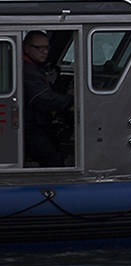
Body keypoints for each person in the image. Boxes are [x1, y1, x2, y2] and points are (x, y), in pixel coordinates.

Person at [21, 31, 73, 167]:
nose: (44, 52)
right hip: (29, 125)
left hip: (37, 122)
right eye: (39, 48)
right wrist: (70, 99)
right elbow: (43, 99)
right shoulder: (26, 69)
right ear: (26, 48)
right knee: (52, 160)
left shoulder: (35, 67)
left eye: (47, 48)